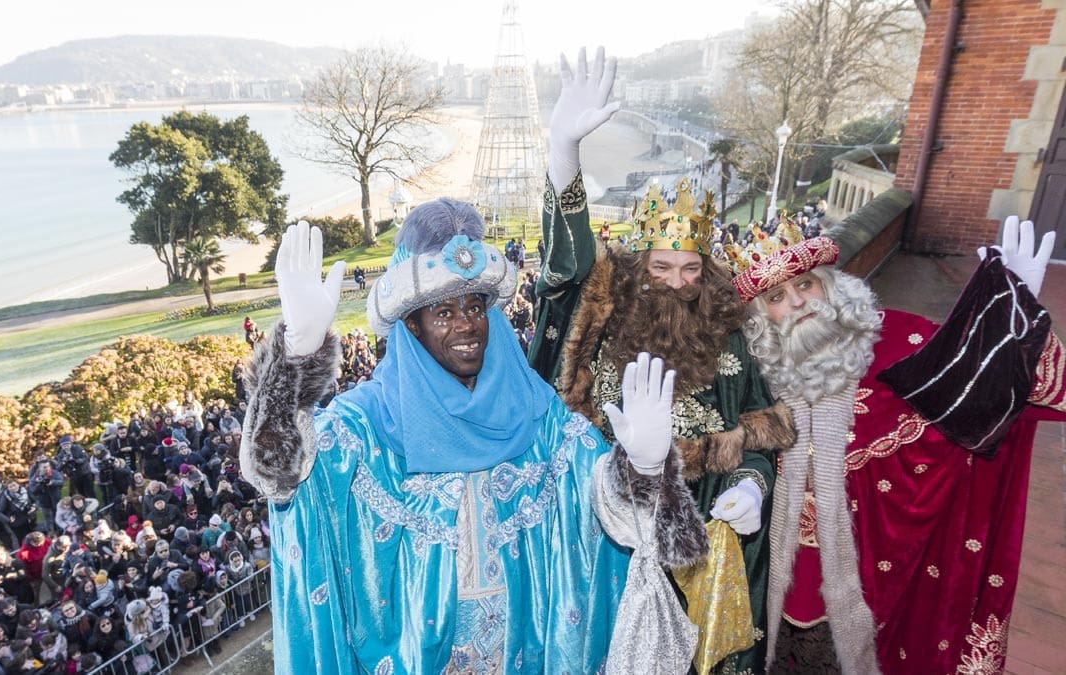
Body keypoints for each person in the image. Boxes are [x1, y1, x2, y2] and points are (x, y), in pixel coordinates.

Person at [239, 208, 711, 673]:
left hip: (523, 651)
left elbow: (600, 500)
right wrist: (294, 363)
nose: (466, 324)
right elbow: (282, 479)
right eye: (443, 311)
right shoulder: (365, 422)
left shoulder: (533, 408)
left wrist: (645, 469)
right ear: (412, 326)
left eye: (474, 307)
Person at [527, 47, 795, 673]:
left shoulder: (733, 333)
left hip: (710, 532)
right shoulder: (606, 315)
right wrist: (564, 156)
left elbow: (760, 425)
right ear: (639, 267)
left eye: (691, 268)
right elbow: (566, 257)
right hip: (615, 534)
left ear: (707, 270)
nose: (677, 283)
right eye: (662, 267)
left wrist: (753, 484)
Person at [729, 221, 1066, 673]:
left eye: (805, 284)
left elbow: (994, 391)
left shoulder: (905, 342)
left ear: (828, 284)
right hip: (774, 577)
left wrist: (1014, 316)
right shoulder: (752, 375)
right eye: (775, 297)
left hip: (879, 577)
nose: (796, 304)